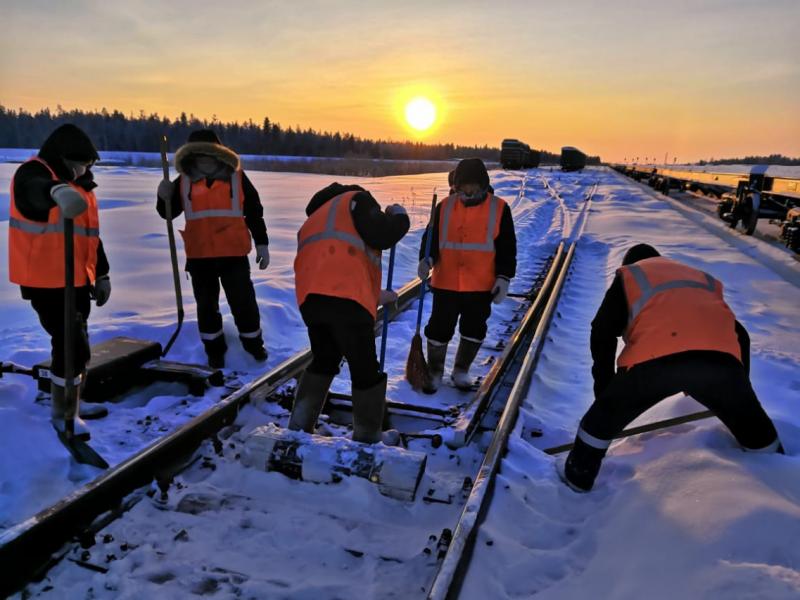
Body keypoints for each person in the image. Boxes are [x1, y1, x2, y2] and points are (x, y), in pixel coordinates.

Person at [562, 243, 783, 492]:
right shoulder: (699, 277)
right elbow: (740, 335)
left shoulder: (630, 275)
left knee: (597, 427)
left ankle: (575, 483)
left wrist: (605, 391)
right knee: (759, 434)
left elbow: (602, 330)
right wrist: (739, 387)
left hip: (654, 361)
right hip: (720, 363)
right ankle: (782, 478)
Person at [8, 124, 111, 439]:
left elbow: (92, 239)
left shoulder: (81, 188)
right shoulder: (33, 173)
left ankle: (72, 404)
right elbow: (32, 193)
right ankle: (63, 413)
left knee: (77, 341)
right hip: (45, 280)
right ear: (65, 158)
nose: (84, 170)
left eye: (89, 166)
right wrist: (54, 190)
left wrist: (102, 274)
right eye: (81, 164)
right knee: (70, 344)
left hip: (77, 279)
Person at [290, 182, 410, 443]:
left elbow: (338, 266)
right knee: (365, 367)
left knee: (324, 358)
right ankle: (369, 437)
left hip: (312, 301)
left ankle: (299, 426)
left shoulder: (316, 217)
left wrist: (378, 296)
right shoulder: (357, 200)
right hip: (346, 302)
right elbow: (383, 236)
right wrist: (399, 216)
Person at [157, 129, 269, 368]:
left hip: (234, 253)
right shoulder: (183, 180)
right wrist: (162, 196)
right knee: (206, 307)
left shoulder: (237, 176)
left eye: (208, 154)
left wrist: (262, 243)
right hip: (200, 256)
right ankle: (214, 351)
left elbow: (254, 210)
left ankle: (253, 347)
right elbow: (167, 213)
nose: (204, 159)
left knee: (243, 303)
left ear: (219, 153)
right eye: (199, 154)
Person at [417, 158, 516, 392]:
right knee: (439, 328)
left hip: (481, 284)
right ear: (456, 186)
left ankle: (461, 370)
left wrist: (504, 277)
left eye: (473, 187)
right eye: (463, 188)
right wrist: (426, 258)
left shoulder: (499, 208)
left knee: (473, 327)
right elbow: (430, 238)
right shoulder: (444, 206)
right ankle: (435, 370)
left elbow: (507, 247)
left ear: (483, 185)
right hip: (446, 281)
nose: (468, 192)